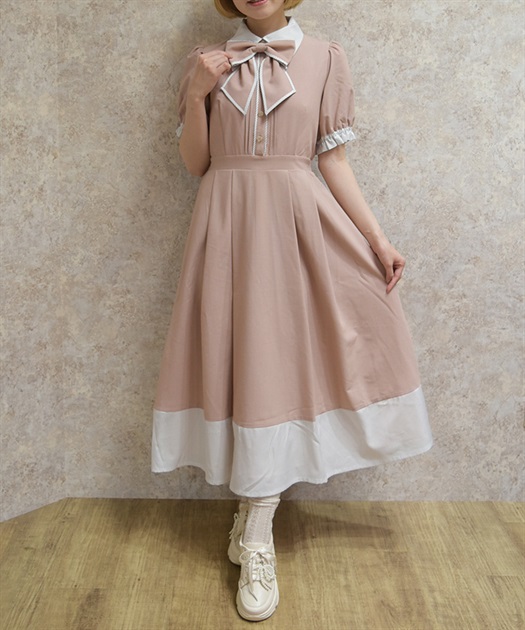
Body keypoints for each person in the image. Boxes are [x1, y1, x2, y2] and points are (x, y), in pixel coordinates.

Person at [151, 0, 433, 621]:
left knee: (280, 372)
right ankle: (253, 524)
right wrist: (197, 93)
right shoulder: (204, 62)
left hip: (298, 230)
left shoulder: (326, 58)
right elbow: (197, 164)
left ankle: (255, 532)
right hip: (225, 229)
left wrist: (378, 240)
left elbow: (331, 161)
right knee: (243, 368)